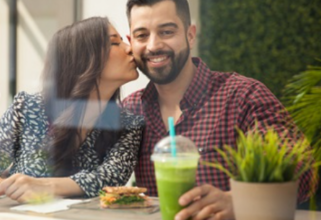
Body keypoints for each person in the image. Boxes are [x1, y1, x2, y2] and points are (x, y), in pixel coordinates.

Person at [122, 0, 313, 219]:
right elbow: (96, 171)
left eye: (166, 32)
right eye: (142, 35)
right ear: (130, 42)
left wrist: (241, 201)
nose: (153, 45)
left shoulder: (243, 96)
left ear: (190, 35)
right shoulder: (131, 109)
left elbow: (302, 170)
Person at [0, 17, 144, 202]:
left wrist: (45, 186)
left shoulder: (129, 124)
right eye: (115, 43)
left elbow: (110, 178)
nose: (129, 48)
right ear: (84, 58)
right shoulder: (29, 107)